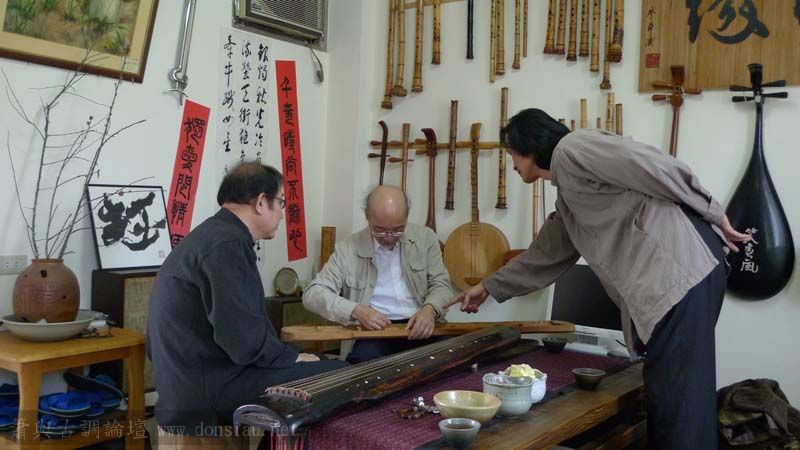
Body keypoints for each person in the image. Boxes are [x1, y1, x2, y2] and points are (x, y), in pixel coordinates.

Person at [444, 109, 750, 450]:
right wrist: (489, 286)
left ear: (529, 145)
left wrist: (712, 210)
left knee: (677, 405)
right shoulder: (568, 195)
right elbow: (546, 252)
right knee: (678, 398)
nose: (512, 164)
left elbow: (651, 163)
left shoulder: (573, 148)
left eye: (512, 153)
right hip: (681, 280)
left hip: (679, 275)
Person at [147, 162, 347, 437]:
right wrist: (292, 357)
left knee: (315, 364)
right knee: (339, 374)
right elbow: (244, 341)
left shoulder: (213, 235)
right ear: (261, 202)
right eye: (281, 202)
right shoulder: (226, 244)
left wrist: (290, 357)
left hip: (190, 378)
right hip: (205, 391)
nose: (282, 214)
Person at [303, 185, 452, 363]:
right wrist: (356, 310)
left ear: (407, 217)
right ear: (367, 217)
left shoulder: (426, 238)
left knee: (456, 358)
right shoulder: (348, 248)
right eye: (380, 230)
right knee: (362, 364)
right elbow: (313, 294)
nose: (389, 236)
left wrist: (430, 310)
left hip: (421, 324)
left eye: (398, 229)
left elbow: (441, 285)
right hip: (376, 330)